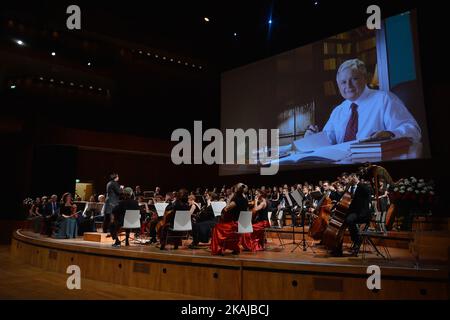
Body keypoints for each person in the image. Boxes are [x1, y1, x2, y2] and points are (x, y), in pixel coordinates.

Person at [307, 59, 421, 145]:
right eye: (343, 82)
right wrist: (314, 137)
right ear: (338, 85)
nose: (348, 86)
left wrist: (391, 134)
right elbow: (328, 139)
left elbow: (412, 130)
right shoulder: (338, 111)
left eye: (354, 79)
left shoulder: (384, 99)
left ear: (365, 78)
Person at [332, 173, 372, 256]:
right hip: (352, 212)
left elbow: (368, 192)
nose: (348, 180)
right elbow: (343, 198)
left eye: (350, 178)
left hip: (362, 213)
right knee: (339, 225)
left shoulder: (363, 186)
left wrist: (358, 182)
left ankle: (357, 240)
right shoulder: (348, 187)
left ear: (355, 178)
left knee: (349, 220)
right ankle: (338, 249)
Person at [210, 183, 248, 255]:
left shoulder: (236, 200)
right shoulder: (245, 200)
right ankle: (235, 248)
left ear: (236, 191)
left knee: (216, 227)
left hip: (235, 224)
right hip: (242, 224)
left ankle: (218, 249)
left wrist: (229, 199)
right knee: (225, 227)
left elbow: (225, 209)